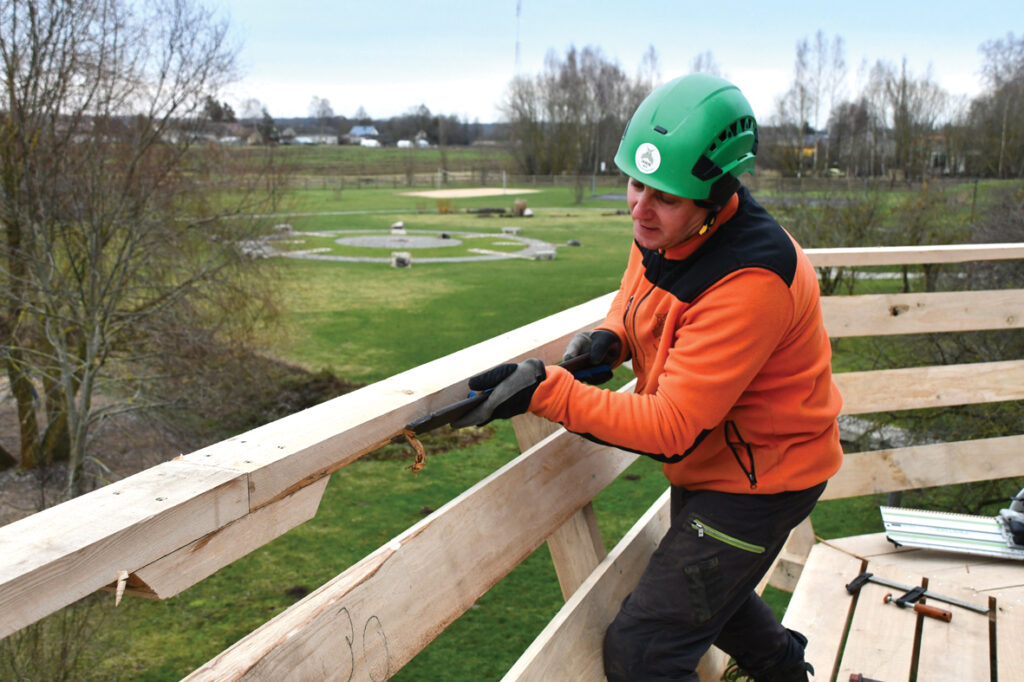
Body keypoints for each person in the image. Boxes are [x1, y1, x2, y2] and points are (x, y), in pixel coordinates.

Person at [453, 73, 843, 682]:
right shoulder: (667, 227)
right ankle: (786, 674)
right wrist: (614, 336)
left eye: (662, 196)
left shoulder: (751, 281)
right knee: (717, 592)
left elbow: (671, 428)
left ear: (714, 195)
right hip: (724, 463)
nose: (639, 207)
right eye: (635, 183)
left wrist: (547, 390)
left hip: (762, 481)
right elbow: (639, 293)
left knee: (643, 652)